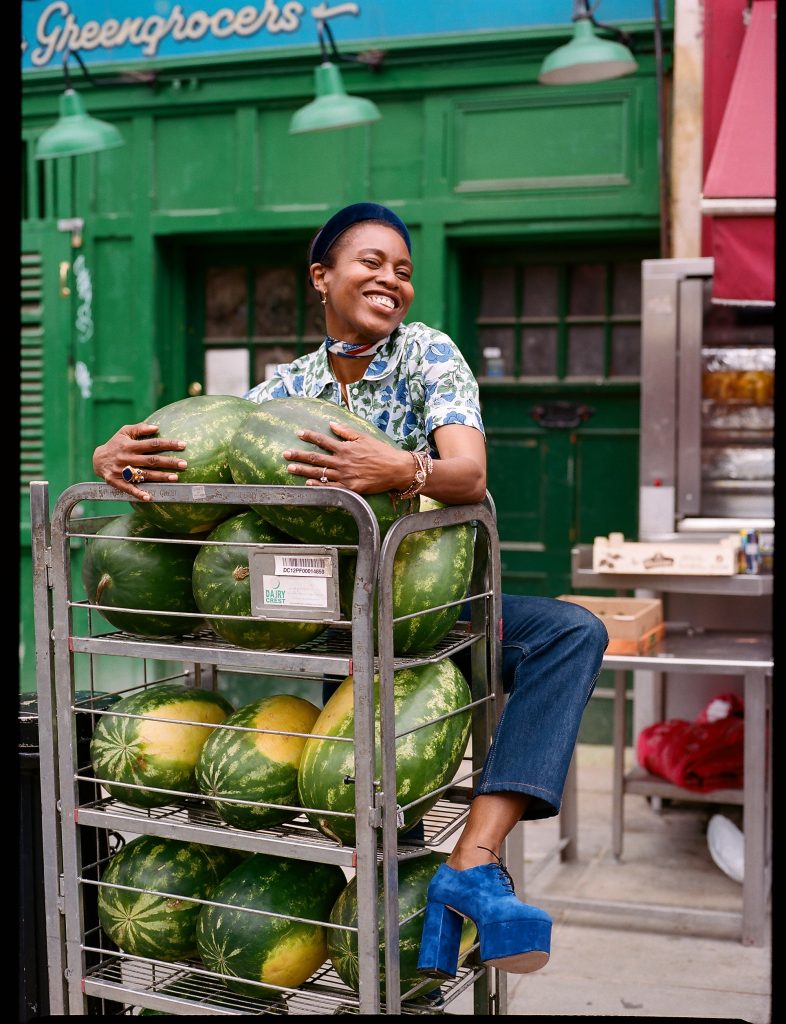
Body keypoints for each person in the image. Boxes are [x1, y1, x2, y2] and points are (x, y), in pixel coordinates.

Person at [92, 202, 609, 981]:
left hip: (430, 615)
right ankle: (356, 949)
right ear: (322, 277)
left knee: (570, 633)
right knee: (354, 817)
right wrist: (118, 454)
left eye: (402, 269)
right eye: (370, 262)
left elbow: (469, 473)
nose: (391, 279)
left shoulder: (427, 354)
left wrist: (405, 470)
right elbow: (205, 449)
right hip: (318, 618)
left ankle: (473, 862)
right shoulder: (287, 388)